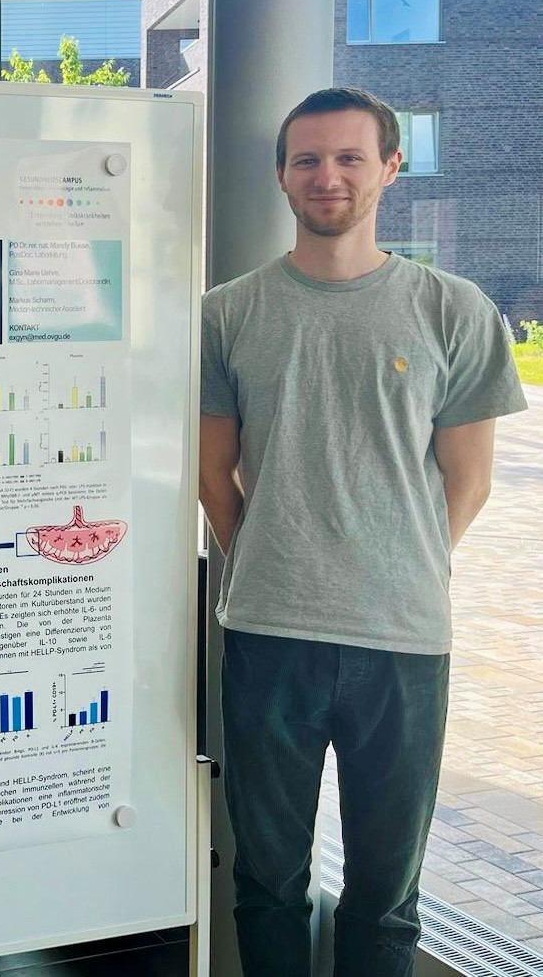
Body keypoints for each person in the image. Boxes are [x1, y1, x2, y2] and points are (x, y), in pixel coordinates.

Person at [200, 87, 527, 976]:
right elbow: (213, 476)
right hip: (269, 635)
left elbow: (469, 482)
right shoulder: (228, 313)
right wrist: (272, 561)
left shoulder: (453, 309)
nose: (328, 176)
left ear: (390, 167)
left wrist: (395, 563)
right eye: (307, 159)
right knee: (267, 880)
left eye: (350, 157)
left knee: (386, 897)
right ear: (281, 175)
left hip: (404, 640)